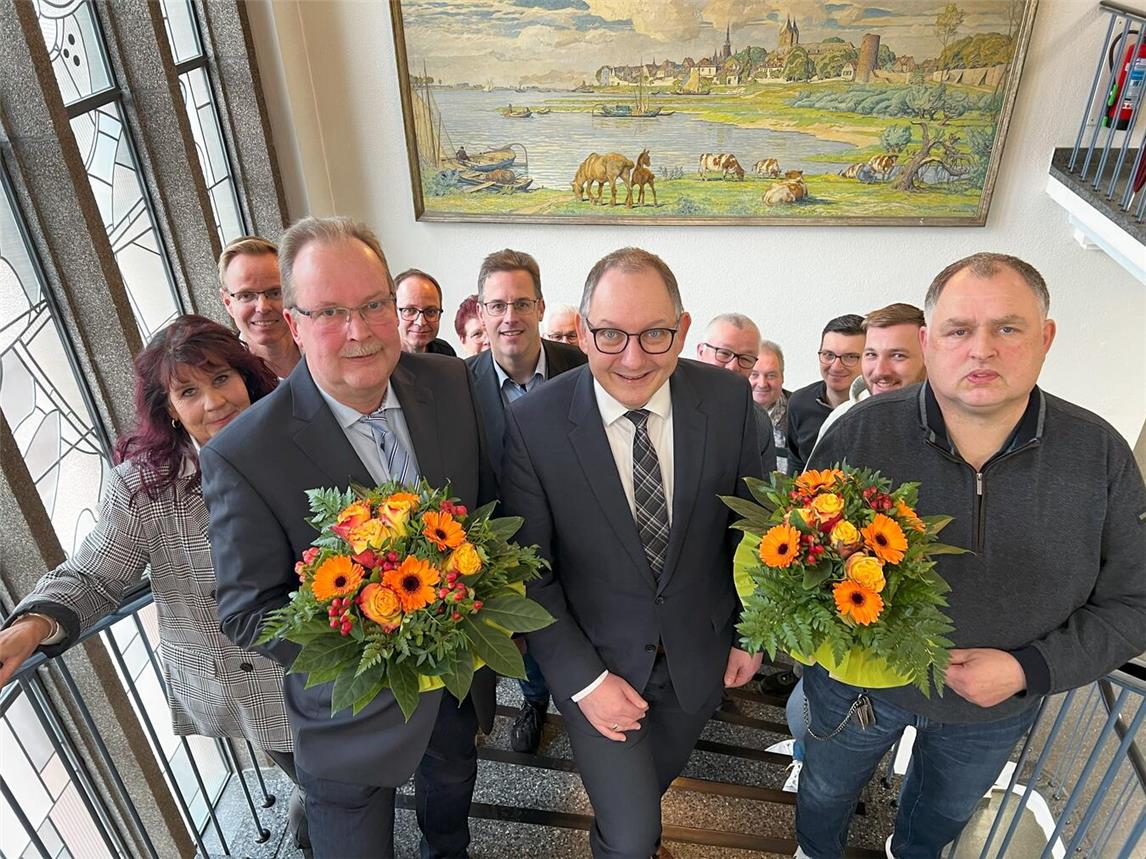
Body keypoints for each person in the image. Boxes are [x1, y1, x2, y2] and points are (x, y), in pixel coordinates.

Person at [796, 253, 1146, 859]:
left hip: (995, 707)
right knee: (825, 790)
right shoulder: (858, 433)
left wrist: (1029, 670)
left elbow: (1133, 603)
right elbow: (798, 562)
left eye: (1007, 328)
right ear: (930, 342)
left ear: (1046, 338)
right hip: (857, 690)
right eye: (959, 331)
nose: (981, 350)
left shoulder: (1101, 456)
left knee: (939, 817)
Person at [201, 217, 496, 859]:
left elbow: (492, 509)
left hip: (453, 688)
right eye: (330, 312)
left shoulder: (454, 387)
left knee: (451, 802)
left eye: (372, 305)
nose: (359, 331)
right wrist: (370, 640)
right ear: (294, 322)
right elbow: (248, 611)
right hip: (345, 716)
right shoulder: (244, 453)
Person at [0, 316, 309, 852]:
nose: (214, 402)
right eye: (189, 391)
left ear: (247, 377)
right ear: (169, 408)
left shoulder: (304, 439)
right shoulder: (147, 486)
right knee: (320, 788)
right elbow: (95, 574)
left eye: (222, 379)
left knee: (348, 783)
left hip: (329, 658)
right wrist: (29, 628)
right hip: (246, 686)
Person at [500, 247, 765, 859]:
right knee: (632, 835)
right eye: (611, 334)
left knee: (642, 799)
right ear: (583, 330)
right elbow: (530, 574)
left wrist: (752, 633)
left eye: (655, 335)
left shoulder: (728, 401)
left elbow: (755, 532)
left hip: (700, 660)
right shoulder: (534, 424)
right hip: (598, 669)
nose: (633, 357)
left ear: (684, 329)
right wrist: (586, 681)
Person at [466, 249, 586, 755]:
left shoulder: (582, 369)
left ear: (539, 306)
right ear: (480, 312)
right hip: (505, 548)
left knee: (583, 630)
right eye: (496, 306)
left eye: (520, 303)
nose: (509, 317)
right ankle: (534, 700)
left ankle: (588, 709)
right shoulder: (458, 386)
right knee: (527, 639)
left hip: (578, 537)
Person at [813, 303, 927, 451]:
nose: (880, 371)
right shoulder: (840, 422)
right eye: (871, 355)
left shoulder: (957, 423)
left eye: (898, 356)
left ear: (930, 357)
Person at [695, 313, 778, 474]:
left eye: (746, 358)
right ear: (700, 352)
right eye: (724, 353)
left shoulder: (758, 421)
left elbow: (764, 492)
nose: (733, 366)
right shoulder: (667, 402)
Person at [785, 314, 865, 473]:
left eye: (850, 357)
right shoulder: (799, 403)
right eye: (828, 355)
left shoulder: (877, 407)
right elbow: (796, 468)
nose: (836, 366)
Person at [218, 236, 301, 378]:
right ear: (228, 303)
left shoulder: (323, 348)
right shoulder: (227, 379)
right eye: (246, 296)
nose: (263, 307)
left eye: (275, 292)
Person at [749, 341, 792, 474]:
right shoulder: (728, 414)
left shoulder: (801, 413)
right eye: (754, 375)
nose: (762, 384)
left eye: (771, 375)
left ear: (782, 377)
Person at [394, 268, 457, 355]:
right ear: (393, 312)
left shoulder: (445, 354)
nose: (421, 322)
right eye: (410, 310)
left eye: (430, 311)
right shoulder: (378, 358)